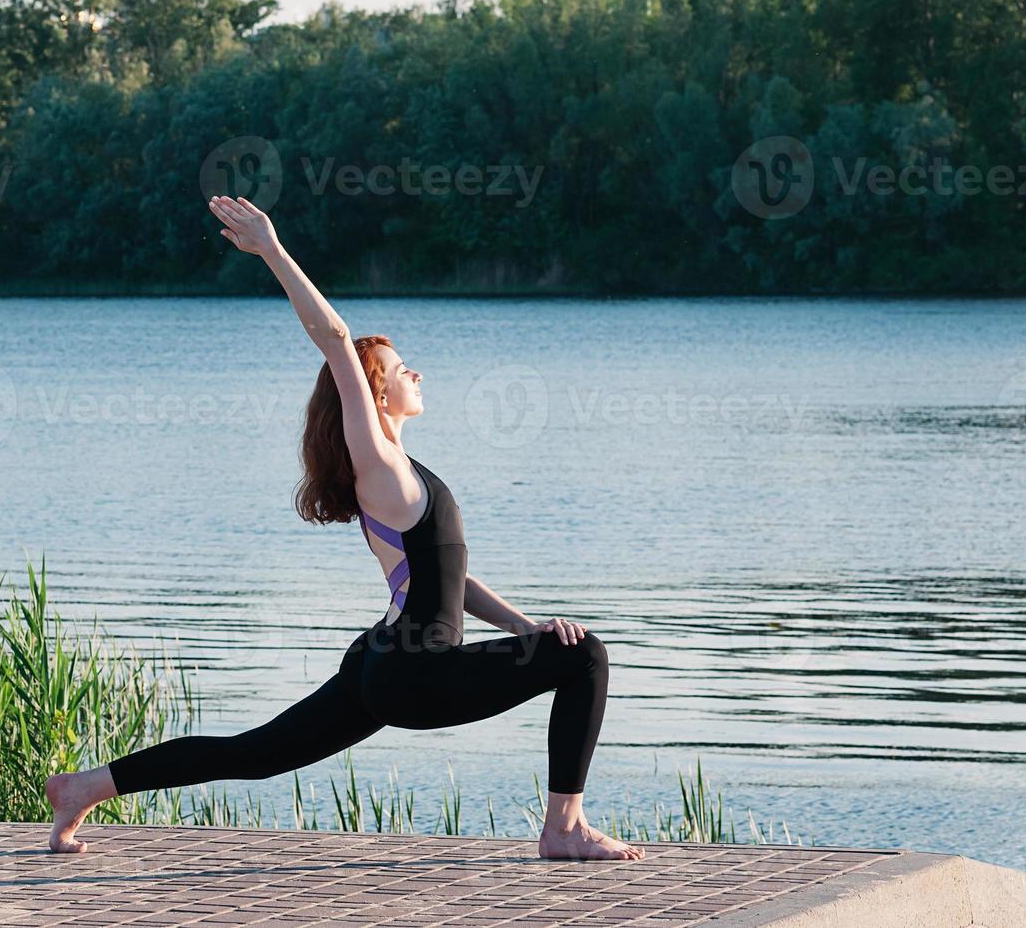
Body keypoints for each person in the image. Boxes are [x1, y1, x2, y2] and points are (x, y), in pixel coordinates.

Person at [45, 195, 643, 861]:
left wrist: (524, 628)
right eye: (399, 369)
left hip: (382, 660)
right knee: (585, 656)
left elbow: (448, 580)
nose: (415, 373)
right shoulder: (381, 464)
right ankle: (563, 828)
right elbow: (334, 341)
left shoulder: (406, 476)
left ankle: (84, 788)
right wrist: (272, 249)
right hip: (417, 672)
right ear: (376, 395)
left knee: (258, 753)